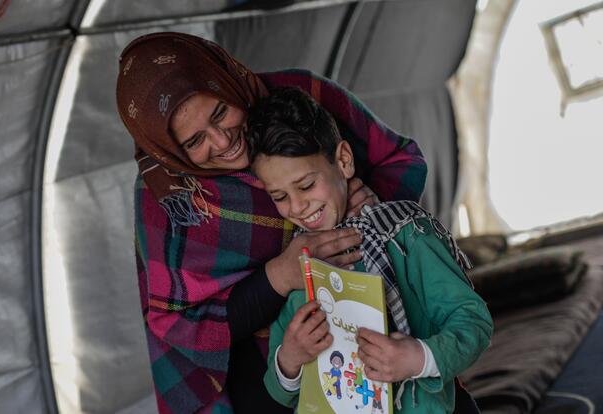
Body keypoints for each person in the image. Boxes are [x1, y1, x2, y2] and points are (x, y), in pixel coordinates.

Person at [115, 32, 428, 414]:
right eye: (195, 140)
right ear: (170, 150)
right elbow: (179, 325)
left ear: (226, 80)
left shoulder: (299, 97)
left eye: (219, 113)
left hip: (382, 318)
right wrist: (280, 276)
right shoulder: (165, 196)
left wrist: (364, 204)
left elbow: (400, 159)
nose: (222, 139)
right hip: (265, 370)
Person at [246, 87, 493, 413]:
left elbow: (473, 323)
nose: (297, 206)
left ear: (344, 161)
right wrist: (289, 359)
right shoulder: (302, 266)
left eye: (306, 185)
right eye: (279, 197)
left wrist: (417, 358)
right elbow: (281, 392)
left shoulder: (405, 235)